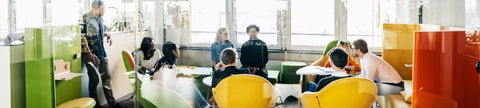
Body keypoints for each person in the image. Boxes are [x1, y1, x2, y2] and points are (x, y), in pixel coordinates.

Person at [151, 41, 209, 108]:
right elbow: (172, 87)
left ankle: (204, 105)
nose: (179, 51)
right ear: (173, 51)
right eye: (177, 49)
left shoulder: (161, 62)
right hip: (165, 95)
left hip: (158, 93)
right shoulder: (170, 66)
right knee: (191, 87)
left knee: (190, 86)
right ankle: (205, 105)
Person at [81, 0, 116, 107]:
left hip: (102, 52)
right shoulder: (85, 17)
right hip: (91, 55)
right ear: (96, 8)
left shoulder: (100, 18)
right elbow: (81, 36)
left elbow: (97, 32)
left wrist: (107, 34)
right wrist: (88, 53)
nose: (105, 10)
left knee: (107, 79)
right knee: (94, 81)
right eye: (103, 8)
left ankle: (112, 104)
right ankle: (95, 105)